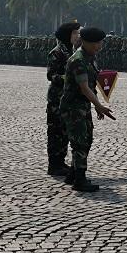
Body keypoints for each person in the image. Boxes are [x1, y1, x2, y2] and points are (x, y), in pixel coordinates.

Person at [59, 27, 116, 192]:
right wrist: (99, 106)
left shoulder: (90, 57)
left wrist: (96, 106)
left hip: (82, 106)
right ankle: (80, 179)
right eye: (95, 43)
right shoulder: (78, 60)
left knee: (85, 139)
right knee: (80, 142)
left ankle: (73, 173)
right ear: (85, 42)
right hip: (73, 107)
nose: (98, 46)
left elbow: (92, 85)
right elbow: (84, 87)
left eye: (100, 43)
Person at [46, 22, 81, 176]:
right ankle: (54, 164)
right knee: (56, 132)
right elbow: (51, 75)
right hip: (56, 99)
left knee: (65, 132)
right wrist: (69, 78)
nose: (77, 36)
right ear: (68, 35)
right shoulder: (57, 52)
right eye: (75, 33)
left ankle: (61, 162)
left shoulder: (72, 51)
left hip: (68, 98)